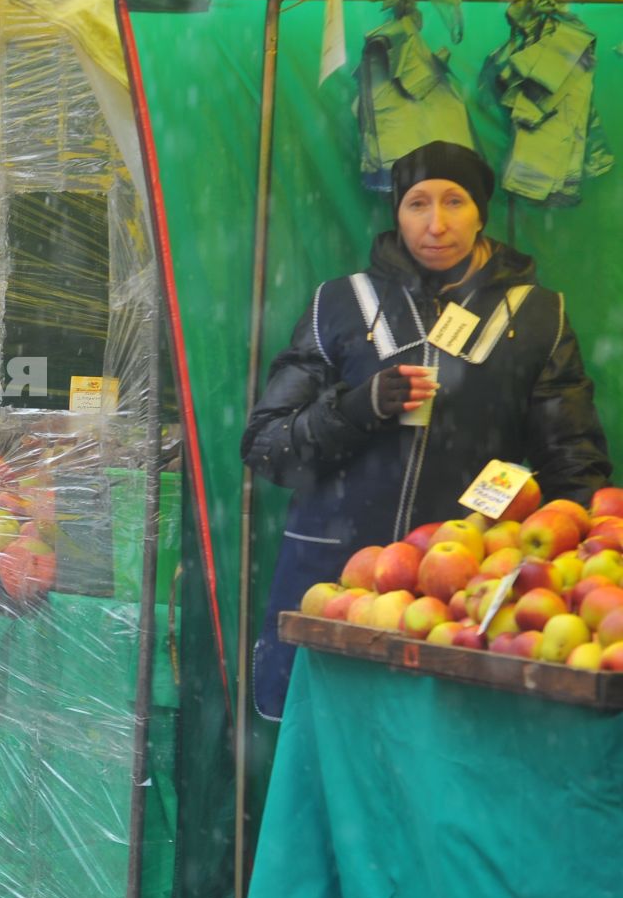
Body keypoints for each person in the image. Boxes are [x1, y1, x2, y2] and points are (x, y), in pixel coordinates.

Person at [242, 140, 611, 717]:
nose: (436, 224)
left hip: (464, 600)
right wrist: (357, 408)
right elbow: (267, 448)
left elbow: (574, 467)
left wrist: (566, 584)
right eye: (417, 203)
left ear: (480, 211)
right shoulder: (338, 304)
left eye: (455, 202)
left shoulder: (538, 315)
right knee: (338, 755)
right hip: (336, 583)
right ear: (396, 212)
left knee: (445, 761)